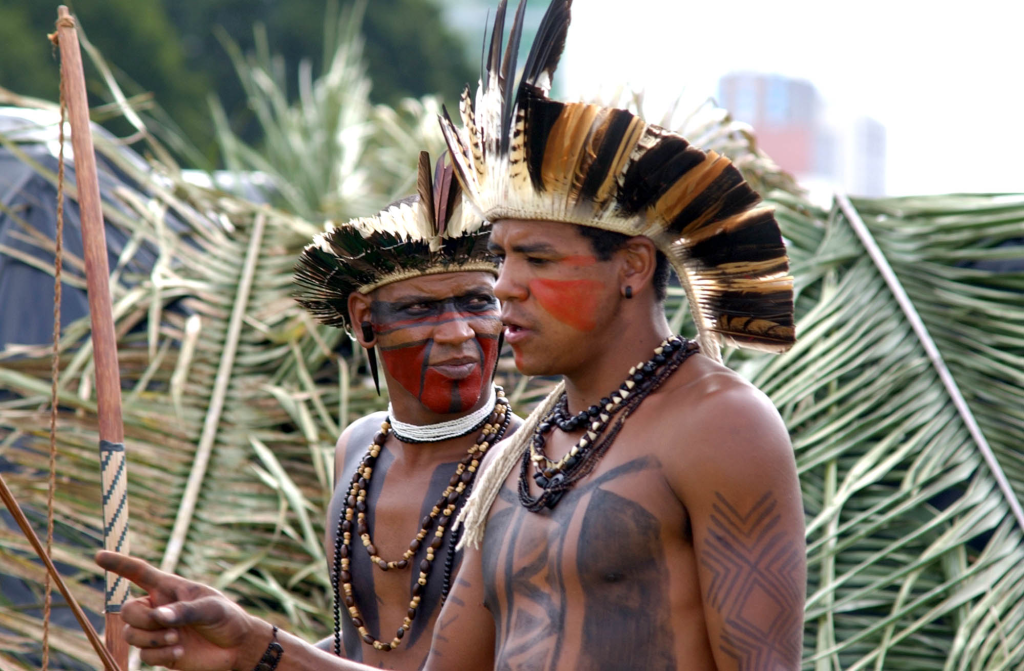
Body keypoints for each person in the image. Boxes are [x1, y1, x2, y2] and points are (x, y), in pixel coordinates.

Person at [98, 1, 806, 669]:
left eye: (538, 258)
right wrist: (253, 645)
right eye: (504, 258)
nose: (504, 288)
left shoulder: (718, 425)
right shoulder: (515, 464)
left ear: (631, 265)